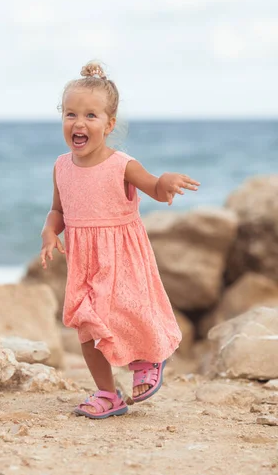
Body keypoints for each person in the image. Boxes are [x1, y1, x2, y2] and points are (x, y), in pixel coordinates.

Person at [40, 61, 200, 419]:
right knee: (86, 326)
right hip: (84, 261)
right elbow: (58, 210)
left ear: (109, 124)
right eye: (70, 114)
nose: (78, 123)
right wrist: (50, 232)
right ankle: (107, 393)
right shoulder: (61, 166)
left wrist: (167, 181)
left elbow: (156, 189)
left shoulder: (122, 165)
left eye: (91, 115)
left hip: (122, 255)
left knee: (128, 313)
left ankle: (149, 359)